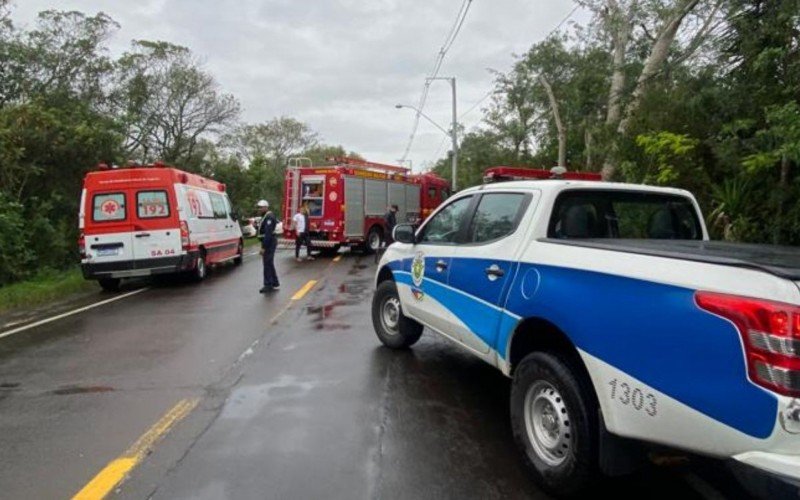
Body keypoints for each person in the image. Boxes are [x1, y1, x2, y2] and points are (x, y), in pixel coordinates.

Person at [257, 200, 280, 293]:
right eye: (259, 207)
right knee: (269, 263)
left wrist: (263, 247)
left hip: (269, 242)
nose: (260, 209)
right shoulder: (266, 216)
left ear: (266, 207)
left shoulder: (269, 217)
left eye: (261, 207)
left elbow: (268, 233)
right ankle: (274, 282)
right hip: (269, 242)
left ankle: (268, 284)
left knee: (267, 263)